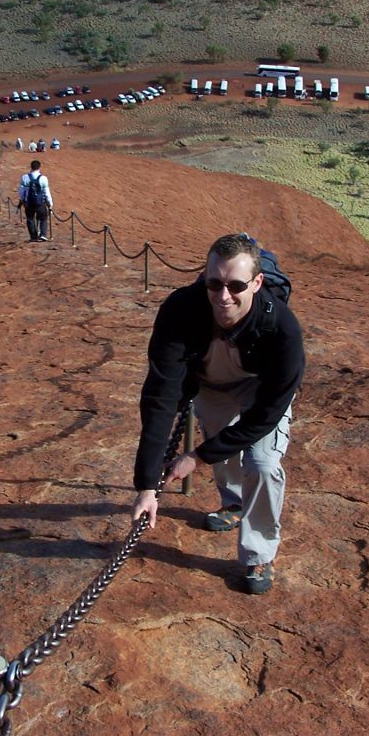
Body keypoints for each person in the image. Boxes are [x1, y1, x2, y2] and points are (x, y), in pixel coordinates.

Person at [131, 233, 304, 594]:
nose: (224, 296)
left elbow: (265, 416)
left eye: (236, 285)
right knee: (219, 443)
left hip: (260, 387)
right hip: (211, 384)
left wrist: (194, 458)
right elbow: (161, 398)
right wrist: (147, 486)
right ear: (204, 277)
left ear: (257, 283)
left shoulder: (283, 329)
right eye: (214, 283)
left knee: (262, 465)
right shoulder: (181, 310)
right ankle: (234, 502)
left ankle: (258, 553)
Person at [17, 159, 54, 242]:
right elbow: (46, 192)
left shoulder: (25, 177)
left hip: (29, 203)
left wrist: (23, 200)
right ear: (39, 167)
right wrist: (50, 203)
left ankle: (33, 236)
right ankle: (43, 234)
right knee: (43, 218)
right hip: (40, 203)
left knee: (30, 219)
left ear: (31, 167)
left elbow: (21, 191)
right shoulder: (43, 178)